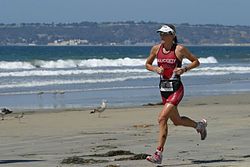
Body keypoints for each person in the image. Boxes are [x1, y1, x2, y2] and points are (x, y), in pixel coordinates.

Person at [145, 24, 207, 164]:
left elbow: (196, 61)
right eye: (160, 33)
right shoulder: (156, 49)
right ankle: (199, 126)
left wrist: (184, 69)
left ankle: (158, 153)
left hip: (177, 89)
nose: (162, 36)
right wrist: (155, 68)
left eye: (165, 33)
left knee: (162, 119)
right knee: (177, 121)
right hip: (163, 89)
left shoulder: (180, 49)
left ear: (172, 35)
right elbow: (147, 64)